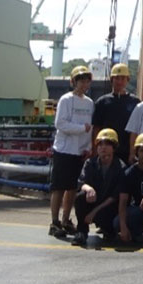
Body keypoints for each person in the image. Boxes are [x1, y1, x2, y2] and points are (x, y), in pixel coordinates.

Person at [49, 65, 95, 238]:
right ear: (73, 82)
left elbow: (90, 128)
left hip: (79, 152)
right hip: (64, 149)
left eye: (86, 80)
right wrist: (81, 128)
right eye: (80, 80)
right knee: (59, 187)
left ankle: (66, 220)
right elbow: (60, 123)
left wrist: (88, 148)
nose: (84, 84)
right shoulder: (65, 100)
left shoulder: (89, 103)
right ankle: (54, 222)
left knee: (72, 188)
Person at [71, 128, 125, 245]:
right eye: (100, 144)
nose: (103, 147)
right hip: (94, 200)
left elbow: (115, 196)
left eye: (107, 144)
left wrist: (94, 212)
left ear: (114, 147)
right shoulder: (90, 163)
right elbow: (81, 182)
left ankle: (108, 230)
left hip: (108, 206)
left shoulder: (120, 167)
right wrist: (89, 189)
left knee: (111, 219)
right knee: (80, 197)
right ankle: (81, 232)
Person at [92, 62, 139, 165]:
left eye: (123, 78)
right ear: (111, 80)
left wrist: (133, 152)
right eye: (117, 78)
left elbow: (136, 130)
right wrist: (95, 151)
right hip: (106, 150)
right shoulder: (102, 102)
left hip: (126, 151)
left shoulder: (135, 102)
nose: (119, 81)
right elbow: (96, 128)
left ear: (127, 80)